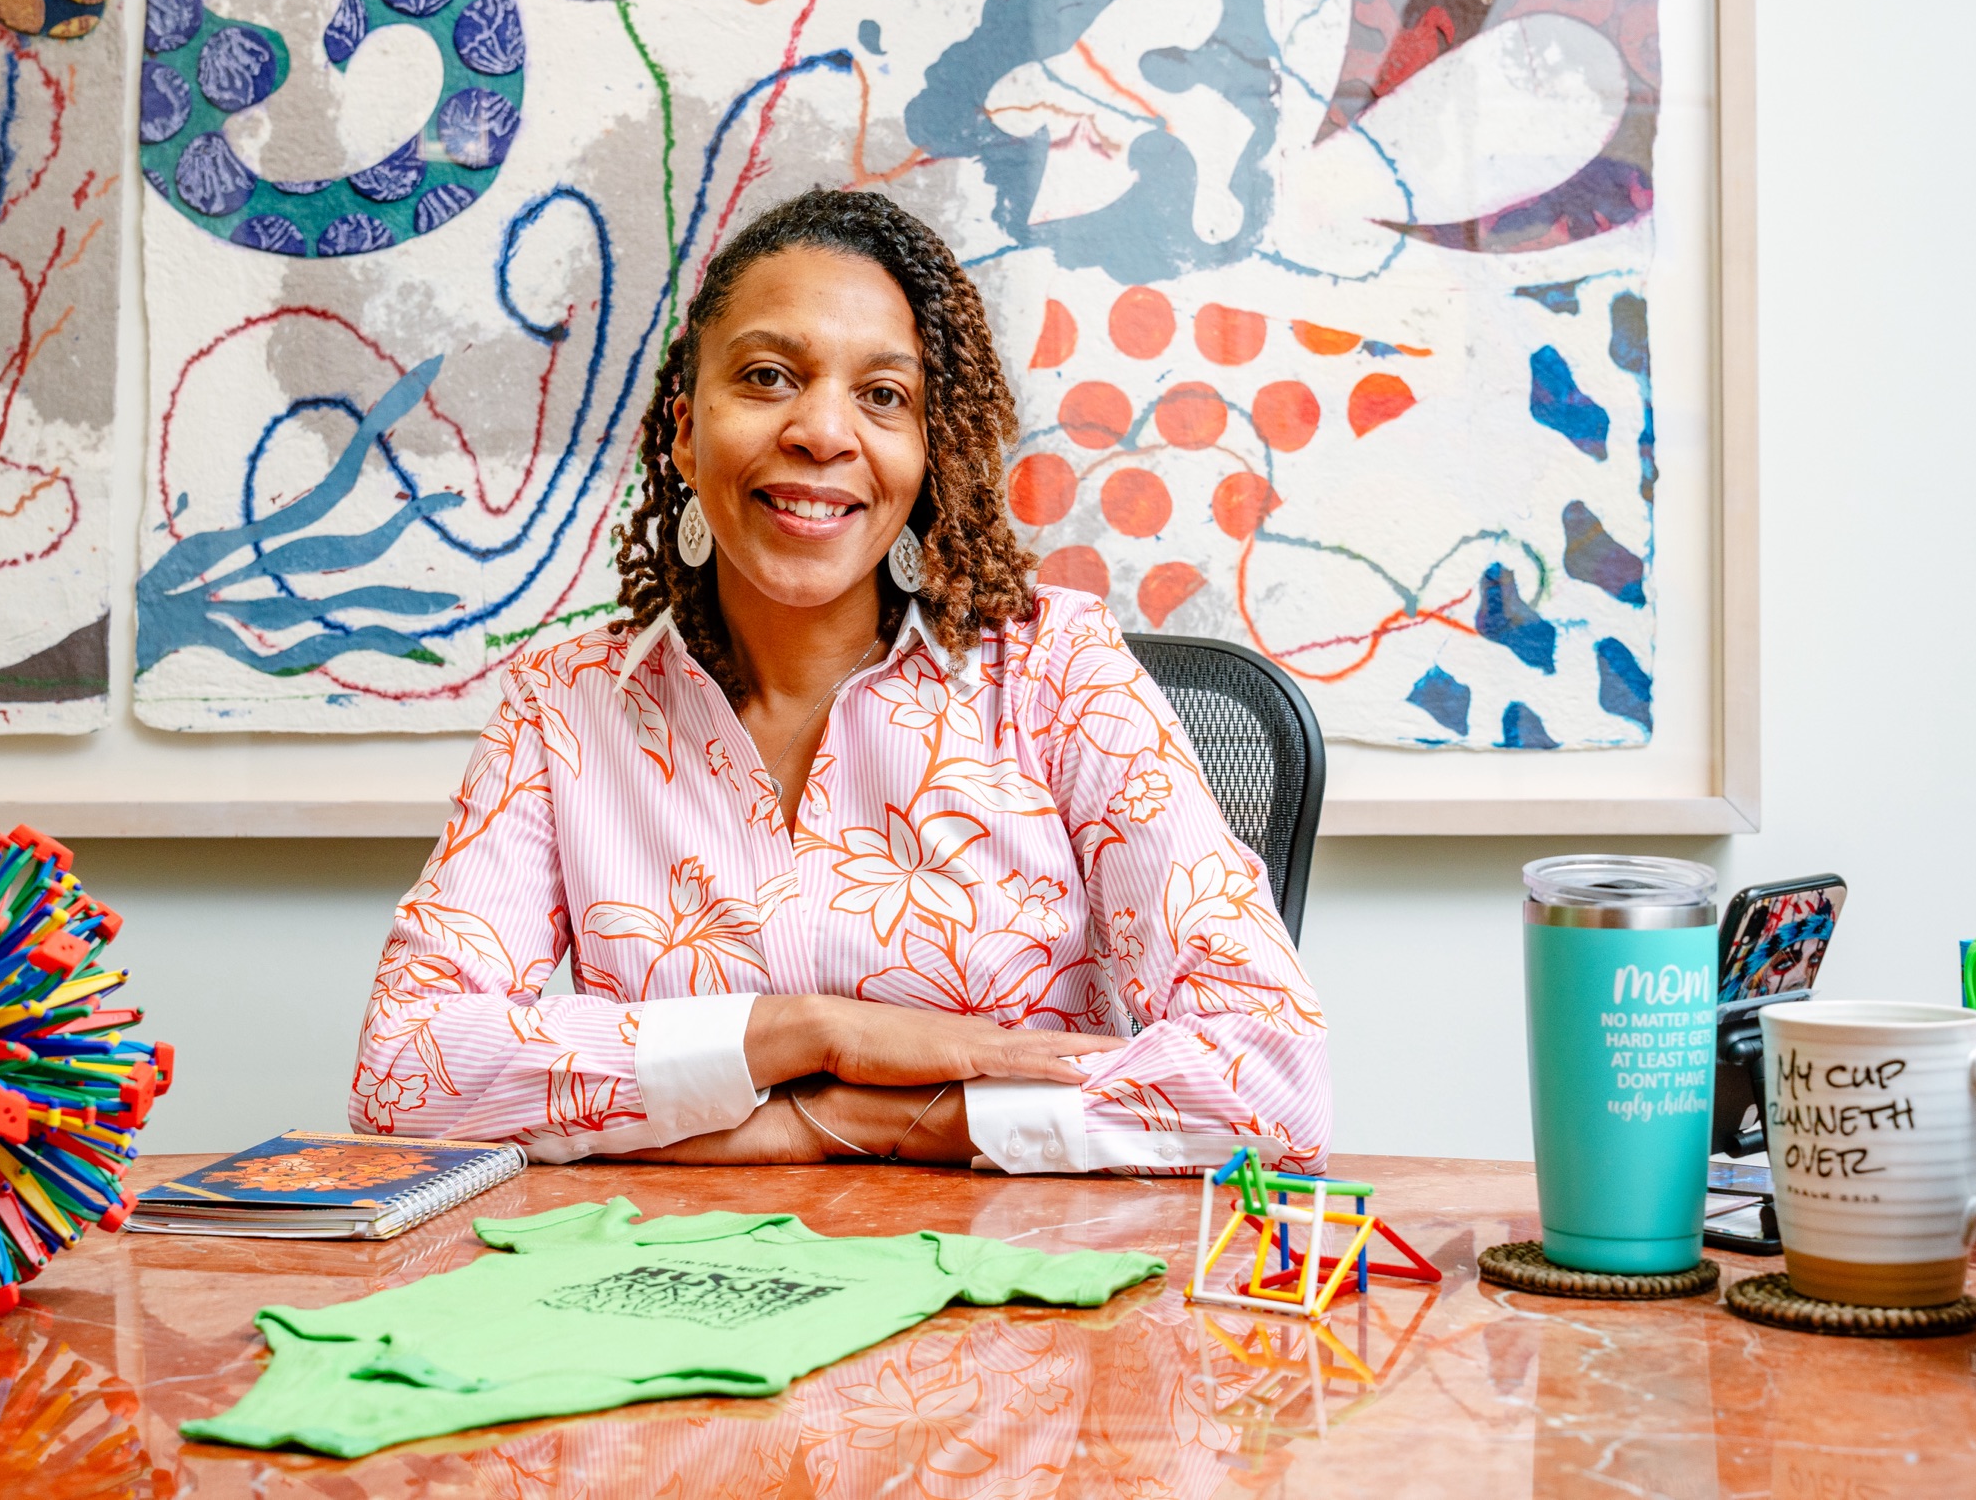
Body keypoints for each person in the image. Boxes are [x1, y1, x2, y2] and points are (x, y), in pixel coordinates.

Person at [350, 189, 1329, 1173]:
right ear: (687, 432)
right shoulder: (567, 704)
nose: (822, 432)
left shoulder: (1057, 673)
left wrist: (851, 1120)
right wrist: (808, 1032)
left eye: (883, 395)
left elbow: (1269, 1082)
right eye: (769, 376)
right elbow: (404, 1067)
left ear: (927, 452)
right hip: (674, 1284)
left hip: (1015, 1289)